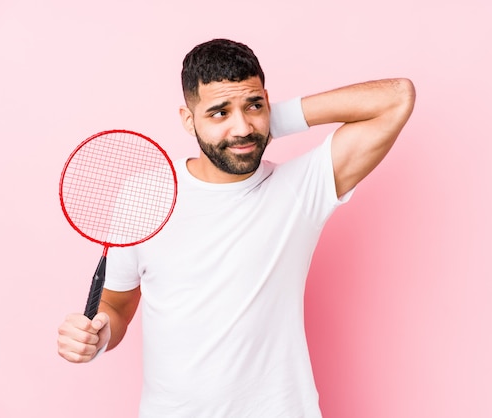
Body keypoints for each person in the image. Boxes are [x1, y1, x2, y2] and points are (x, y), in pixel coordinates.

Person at [57, 38, 415, 417]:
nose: (242, 128)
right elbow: (115, 305)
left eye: (253, 106)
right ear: (187, 119)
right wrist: (97, 336)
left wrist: (269, 119)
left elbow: (396, 98)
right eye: (219, 112)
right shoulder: (145, 195)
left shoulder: (302, 187)